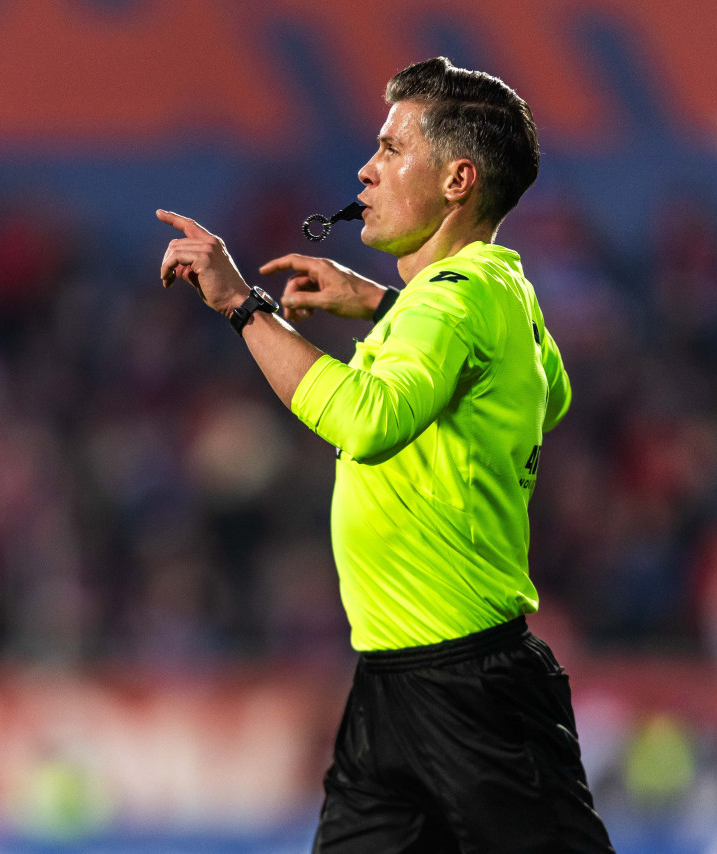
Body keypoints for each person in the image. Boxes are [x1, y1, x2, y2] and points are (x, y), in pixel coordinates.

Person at [156, 57, 613, 853]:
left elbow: (365, 420)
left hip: (472, 691)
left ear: (458, 180)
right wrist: (386, 306)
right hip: (392, 684)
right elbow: (552, 391)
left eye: (393, 149)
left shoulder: (457, 300)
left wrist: (241, 306)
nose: (366, 170)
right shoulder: (491, 290)